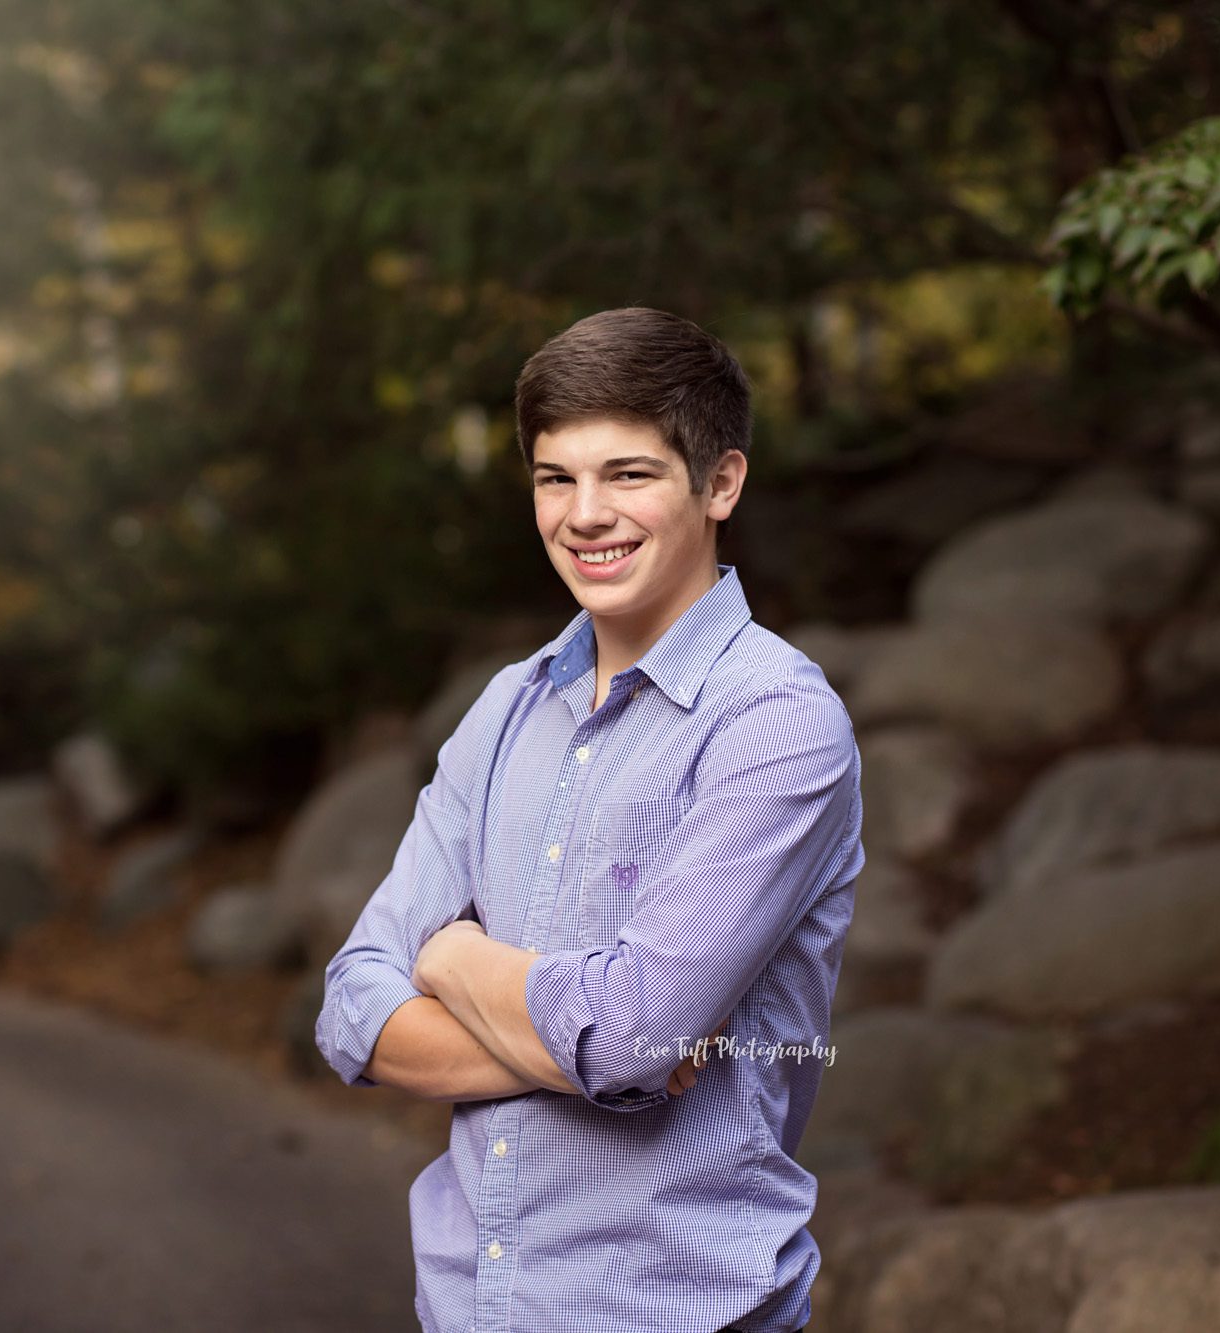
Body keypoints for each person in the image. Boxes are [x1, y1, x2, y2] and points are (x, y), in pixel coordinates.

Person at [312, 307, 863, 1333]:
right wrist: (600, 1042)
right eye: (554, 478)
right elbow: (352, 1005)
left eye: (629, 474)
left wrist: (451, 961)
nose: (584, 513)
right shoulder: (505, 708)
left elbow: (634, 1034)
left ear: (721, 483)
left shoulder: (777, 724)